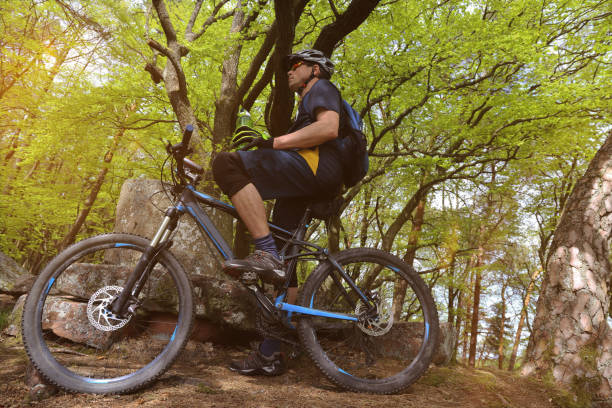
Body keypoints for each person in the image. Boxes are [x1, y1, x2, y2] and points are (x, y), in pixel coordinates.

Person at [211, 49, 344, 376]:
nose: (289, 70)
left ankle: (266, 252)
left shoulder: (321, 88)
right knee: (285, 263)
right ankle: (271, 355)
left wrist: (270, 143)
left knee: (225, 163)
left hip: (316, 172)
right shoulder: (305, 101)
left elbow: (329, 128)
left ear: (314, 70)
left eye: (295, 65)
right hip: (311, 181)